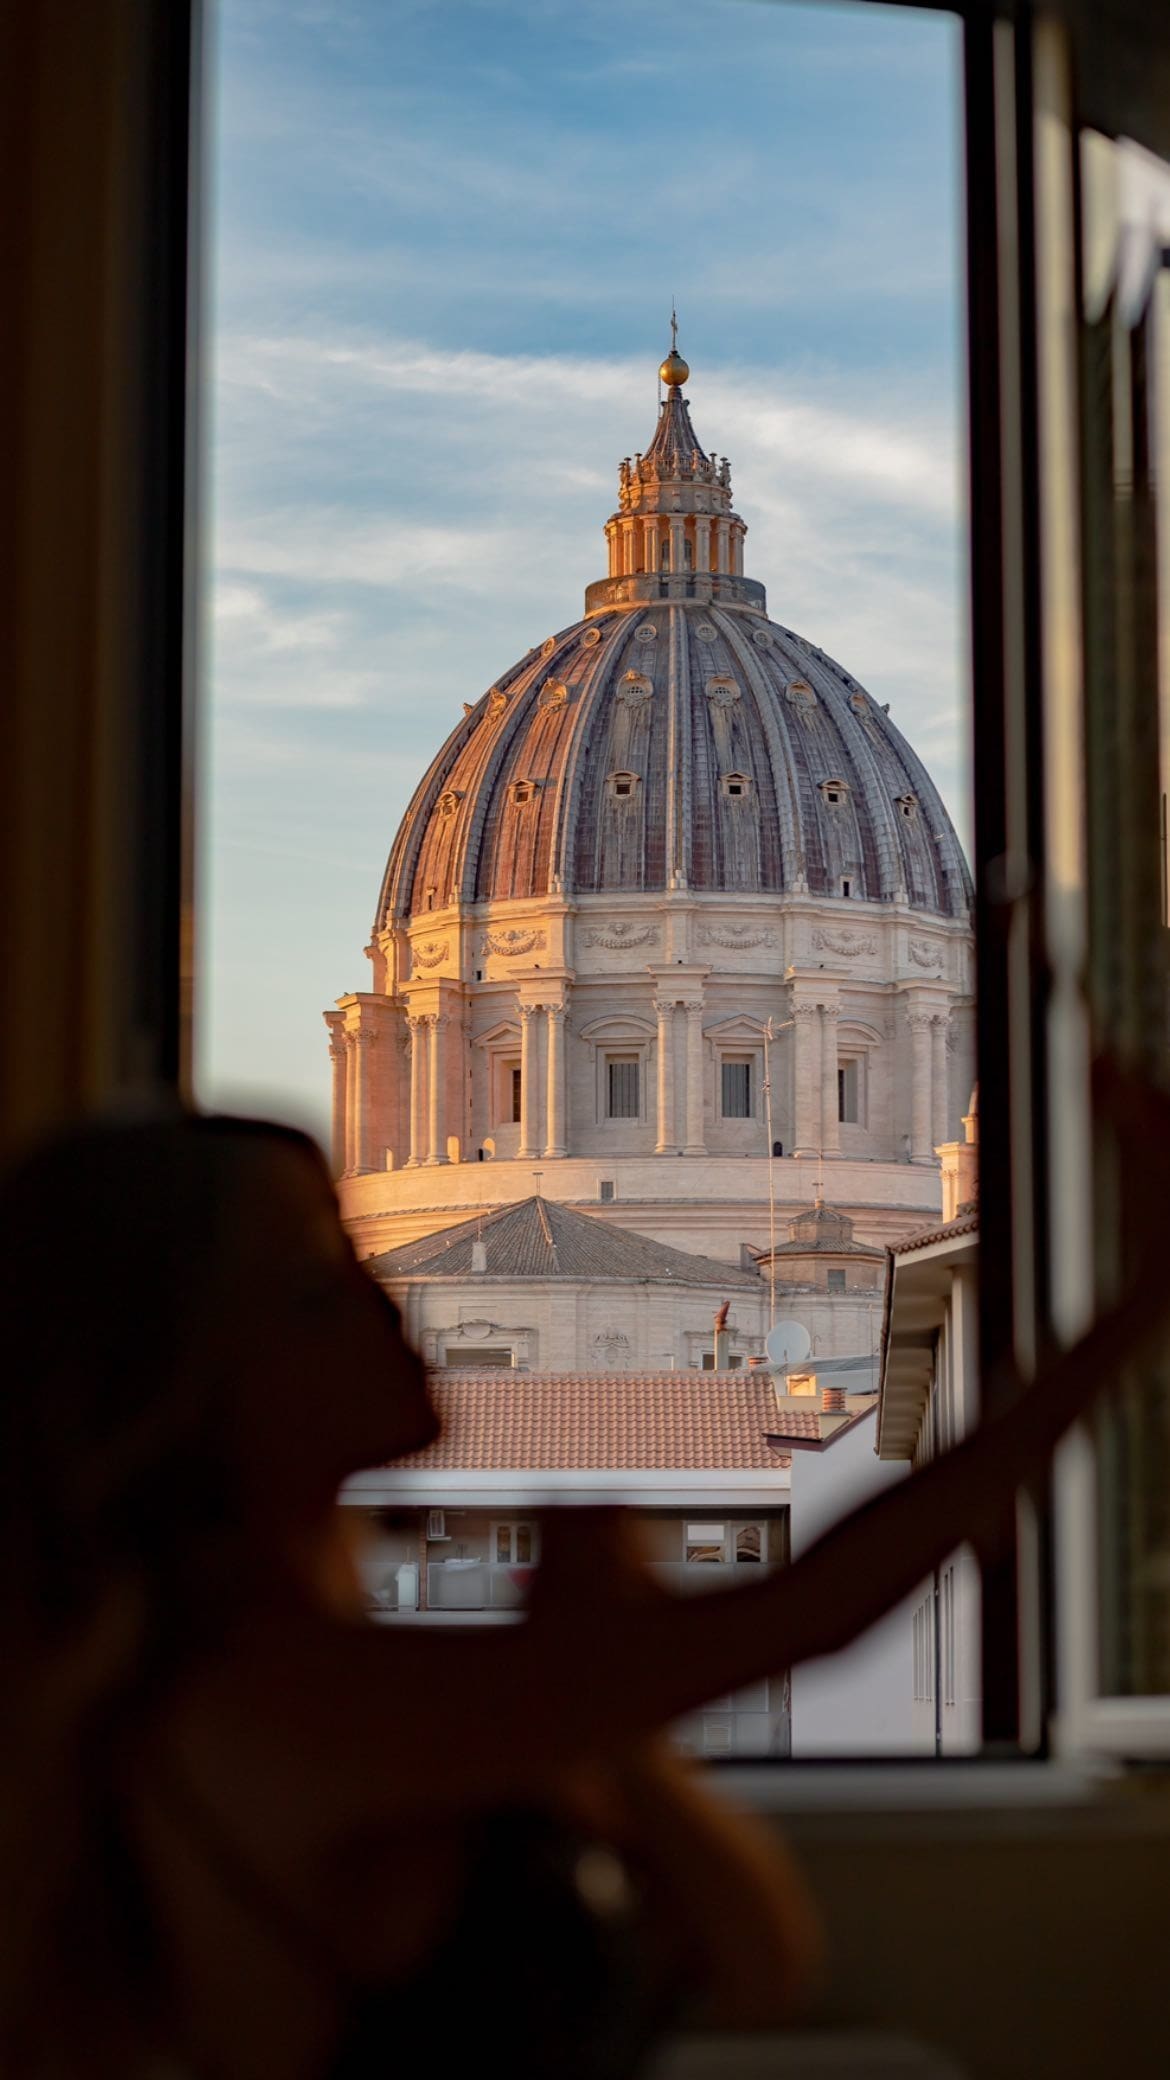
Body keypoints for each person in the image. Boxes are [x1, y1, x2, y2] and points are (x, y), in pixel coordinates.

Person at [0, 1084, 1163, 2078]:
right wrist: (1133, 1310)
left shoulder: (378, 1688)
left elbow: (765, 1961)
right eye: (315, 1290)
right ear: (179, 1391)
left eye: (359, 1260)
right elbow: (822, 1607)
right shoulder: (278, 1701)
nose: (387, 1300)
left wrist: (602, 1695)